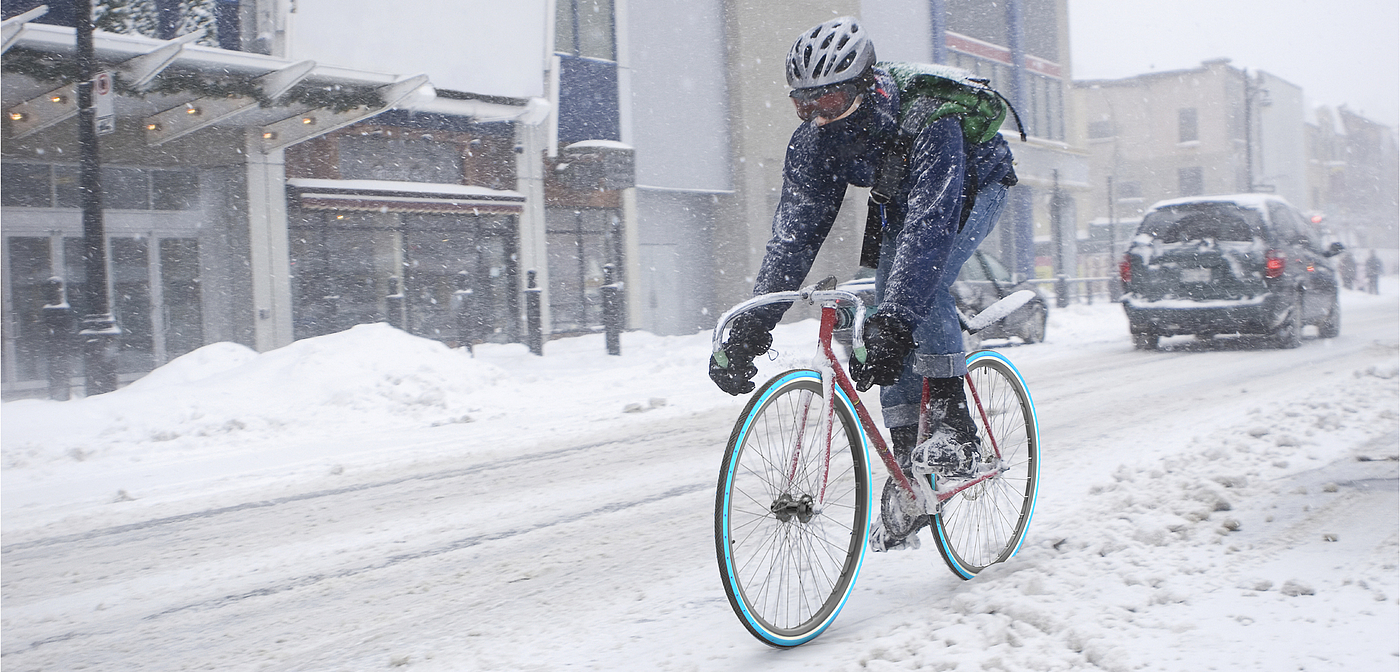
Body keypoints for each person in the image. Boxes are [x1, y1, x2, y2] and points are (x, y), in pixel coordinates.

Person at [708, 17, 1018, 551]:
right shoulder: (813, 146)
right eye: (805, 106)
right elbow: (792, 241)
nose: (820, 118)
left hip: (970, 183)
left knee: (921, 290)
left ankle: (953, 425)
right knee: (883, 310)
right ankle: (909, 472)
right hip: (903, 196)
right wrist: (750, 328)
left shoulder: (927, 121)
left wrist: (899, 321)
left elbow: (929, 231)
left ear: (866, 85)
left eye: (831, 102)